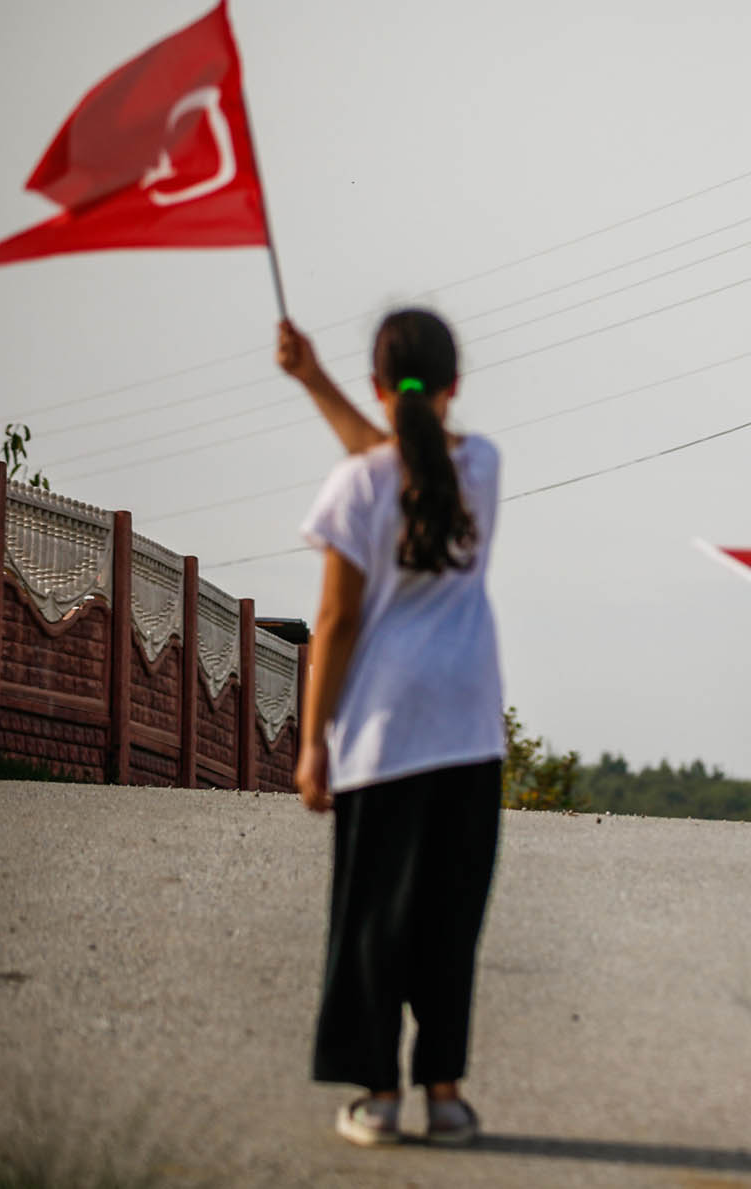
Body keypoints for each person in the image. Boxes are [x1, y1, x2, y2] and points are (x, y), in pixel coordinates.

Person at [280, 310, 505, 1148]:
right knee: (452, 916)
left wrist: (312, 744)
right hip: (470, 728)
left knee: (374, 918)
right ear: (455, 386)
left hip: (383, 731)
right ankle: (445, 1094)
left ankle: (378, 1099)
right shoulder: (481, 466)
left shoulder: (356, 486)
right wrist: (313, 384)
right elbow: (401, 449)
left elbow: (335, 624)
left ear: (379, 385)